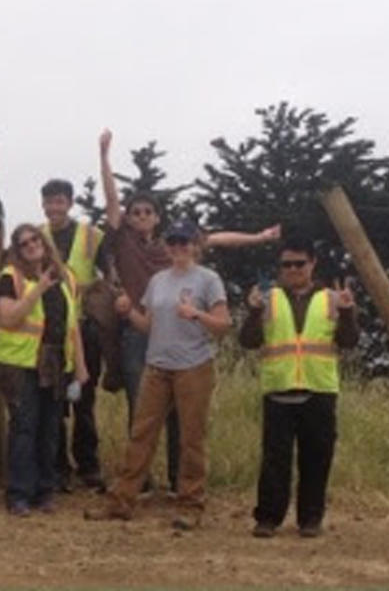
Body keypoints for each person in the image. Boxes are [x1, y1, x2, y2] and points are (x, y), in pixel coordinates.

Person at [99, 129, 280, 494]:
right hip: (142, 334)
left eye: (148, 212)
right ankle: (140, 483)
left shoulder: (180, 253)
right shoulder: (124, 240)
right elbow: (112, 200)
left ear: (158, 218)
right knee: (142, 413)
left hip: (186, 343)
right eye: (136, 213)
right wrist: (104, 157)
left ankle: (177, 484)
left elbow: (219, 239)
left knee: (182, 420)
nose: (141, 217)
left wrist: (259, 238)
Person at [100, 219, 232, 529]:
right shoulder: (158, 280)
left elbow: (223, 326)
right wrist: (127, 311)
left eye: (183, 242)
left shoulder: (209, 280)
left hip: (194, 368)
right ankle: (122, 502)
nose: (177, 248)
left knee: (191, 438)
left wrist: (196, 314)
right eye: (172, 243)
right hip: (157, 367)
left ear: (195, 245)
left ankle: (191, 504)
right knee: (141, 435)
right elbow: (148, 325)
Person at [239, 235, 358, 538]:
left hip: (319, 389)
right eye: (286, 264)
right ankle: (267, 518)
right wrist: (252, 311)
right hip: (279, 387)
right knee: (275, 460)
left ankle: (310, 519)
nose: (292, 269)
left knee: (316, 458)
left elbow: (349, 341)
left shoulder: (332, 298)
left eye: (299, 264)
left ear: (312, 264)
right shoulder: (267, 298)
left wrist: (347, 312)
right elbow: (248, 341)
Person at [0, 224, 89, 516]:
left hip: (56, 362)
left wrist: (81, 368)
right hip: (20, 364)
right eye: (24, 244)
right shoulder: (10, 278)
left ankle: (45, 491)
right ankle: (19, 493)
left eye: (35, 239)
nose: (31, 245)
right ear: (17, 251)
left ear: (45, 243)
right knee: (25, 427)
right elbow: (8, 317)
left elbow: (73, 326)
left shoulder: (66, 279)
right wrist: (38, 289)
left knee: (50, 429)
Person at [37, 179, 110, 493]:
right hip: (49, 329)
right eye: (49, 202)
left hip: (84, 327)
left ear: (70, 203)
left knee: (84, 400)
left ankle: (88, 465)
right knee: (53, 403)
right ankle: (58, 468)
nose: (54, 207)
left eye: (59, 201)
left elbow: (110, 273)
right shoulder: (35, 236)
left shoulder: (92, 237)